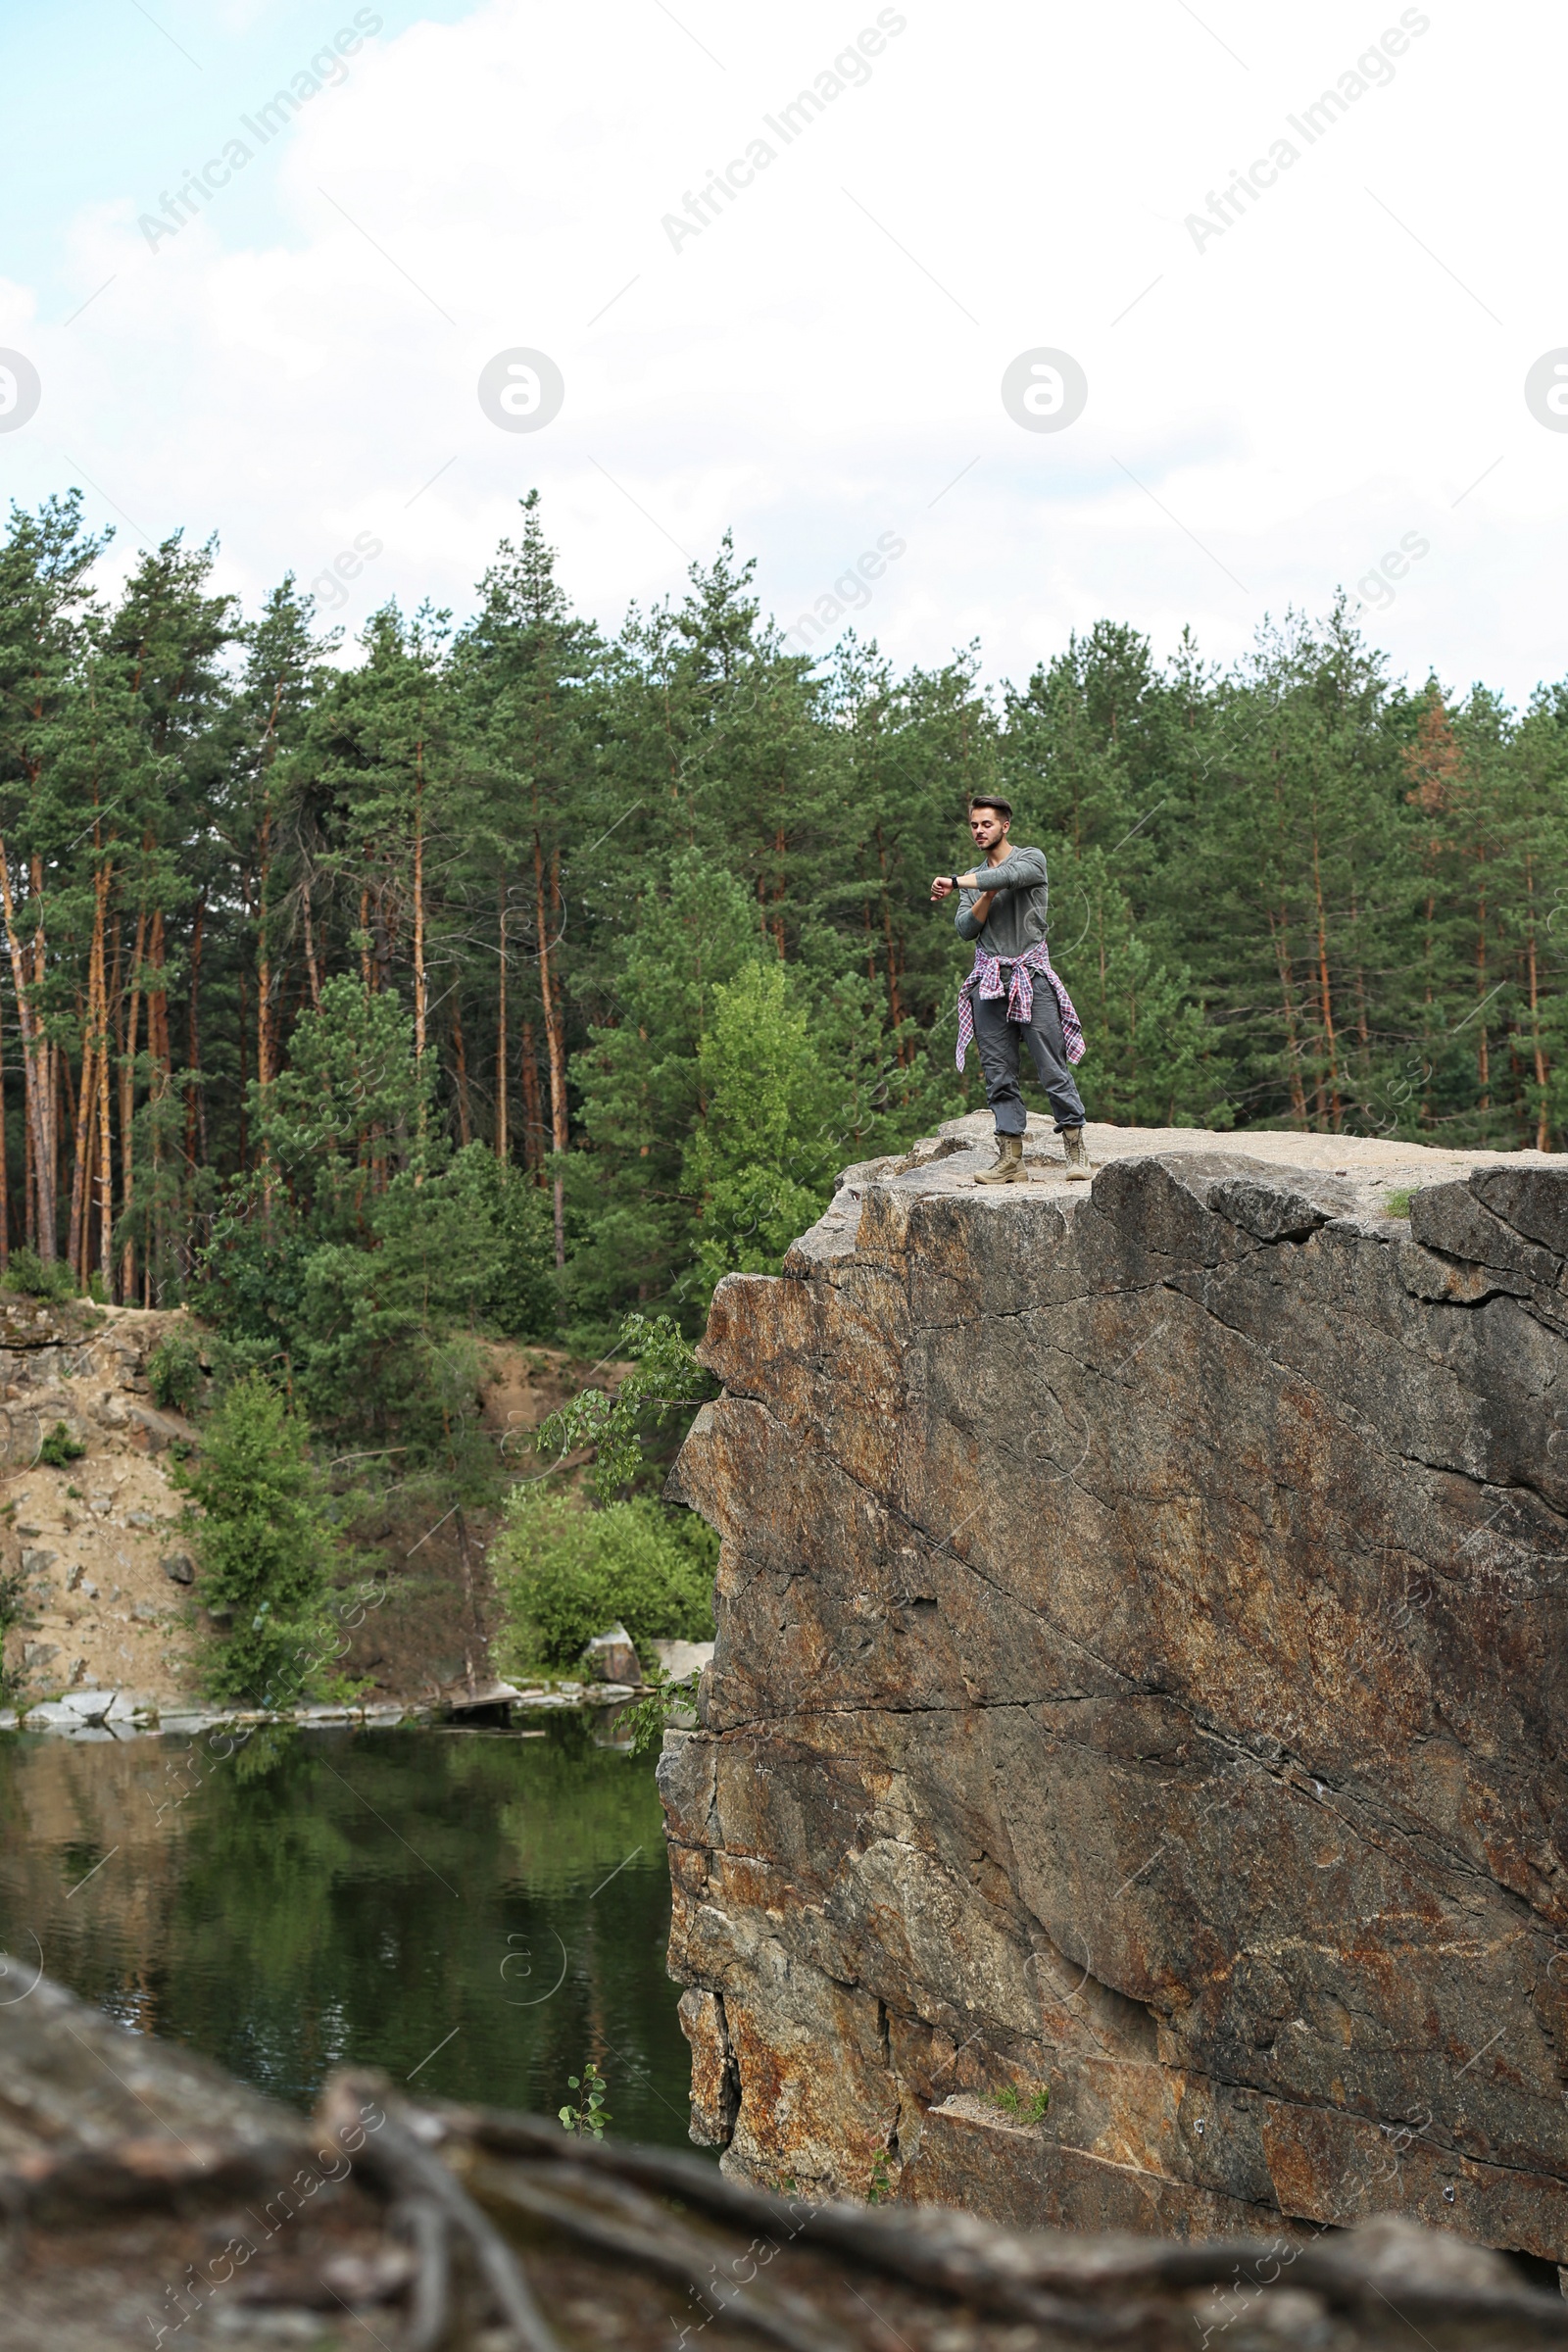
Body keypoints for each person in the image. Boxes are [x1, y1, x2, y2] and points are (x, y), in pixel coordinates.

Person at [930, 797, 1090, 1185]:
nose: (979, 831)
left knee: (1052, 1067)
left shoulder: (1031, 859)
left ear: (1005, 827)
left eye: (986, 824)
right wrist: (982, 894)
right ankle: (1011, 1160)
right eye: (973, 825)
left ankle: (1075, 1148)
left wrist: (956, 882)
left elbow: (1007, 877)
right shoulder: (974, 879)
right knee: (998, 1073)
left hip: (1031, 978)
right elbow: (967, 929)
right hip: (988, 982)